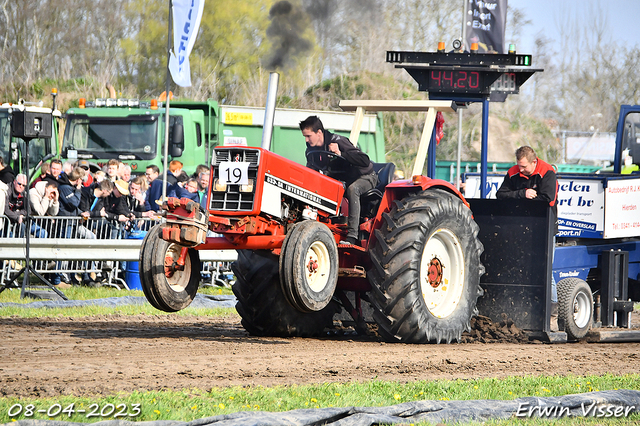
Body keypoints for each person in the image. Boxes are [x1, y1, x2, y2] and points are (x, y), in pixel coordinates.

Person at [496, 145, 559, 331]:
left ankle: (552, 318)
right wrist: (522, 194)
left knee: (547, 272)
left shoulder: (547, 173)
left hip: (545, 227)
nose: (520, 170)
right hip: (520, 228)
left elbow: (548, 199)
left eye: (524, 167)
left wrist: (522, 198)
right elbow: (500, 195)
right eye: (518, 166)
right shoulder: (513, 173)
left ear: (534, 162)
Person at [299, 115, 377, 246]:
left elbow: (364, 160)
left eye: (308, 136)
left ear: (319, 133)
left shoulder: (338, 141)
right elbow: (312, 171)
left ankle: (352, 236)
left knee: (353, 189)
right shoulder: (311, 150)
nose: (306, 140)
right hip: (343, 180)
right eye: (304, 137)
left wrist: (340, 153)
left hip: (365, 177)